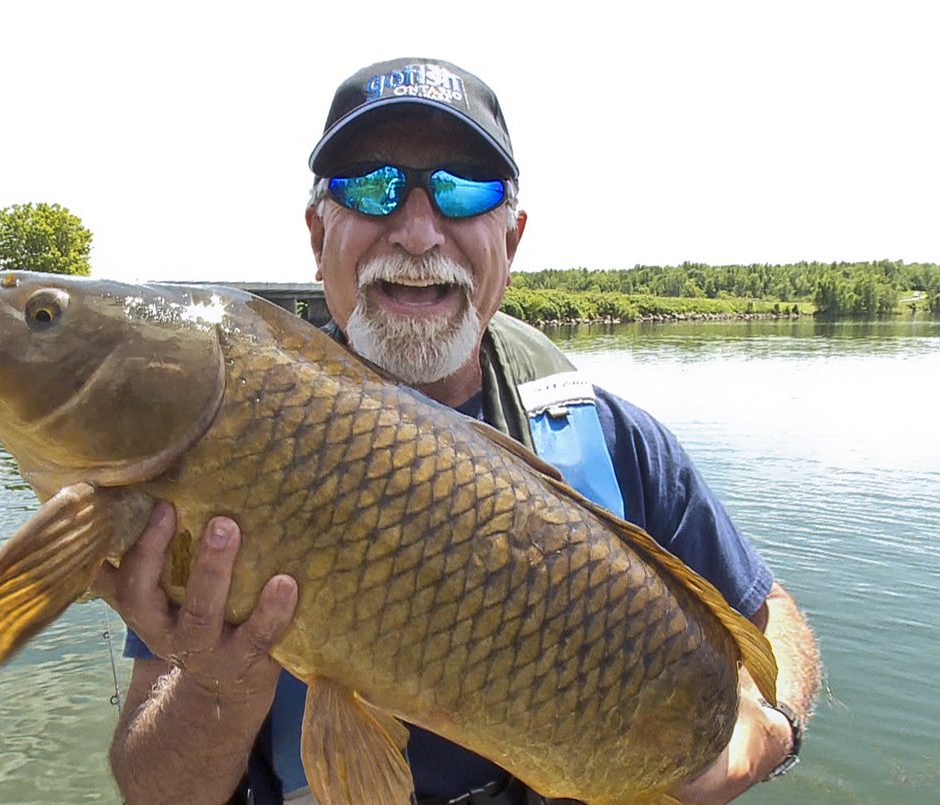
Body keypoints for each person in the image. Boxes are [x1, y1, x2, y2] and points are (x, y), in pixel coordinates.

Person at [91, 57, 822, 805]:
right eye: (370, 186)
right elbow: (154, 789)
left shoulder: (619, 442)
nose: (415, 230)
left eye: (462, 188)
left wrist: (771, 729)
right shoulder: (234, 449)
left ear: (515, 235)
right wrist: (221, 687)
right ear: (318, 232)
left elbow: (773, 617)